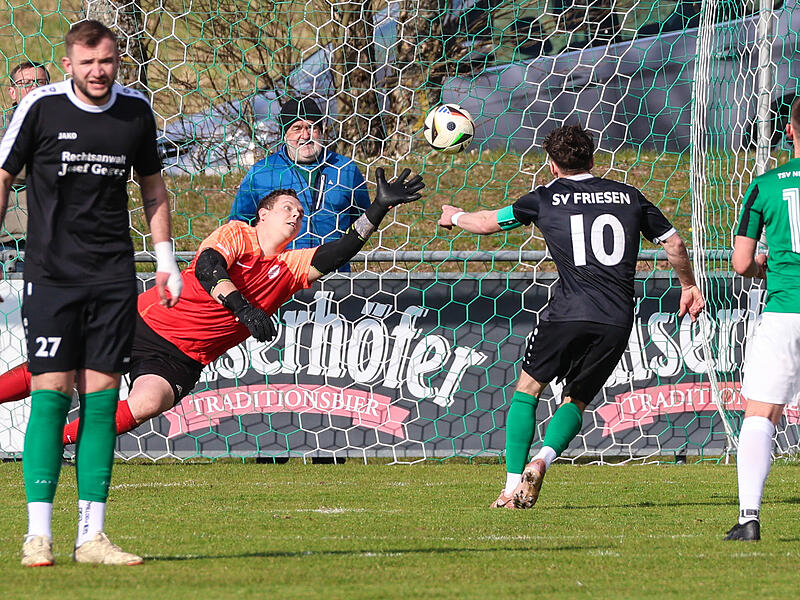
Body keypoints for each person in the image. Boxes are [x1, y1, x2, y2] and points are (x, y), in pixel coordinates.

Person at [0, 174, 423, 453]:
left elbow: (340, 250)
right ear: (263, 214)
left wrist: (378, 209)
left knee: (148, 402)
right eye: (287, 208)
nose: (295, 215)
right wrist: (243, 308)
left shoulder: (291, 267)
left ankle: (53, 445)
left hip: (182, 355)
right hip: (144, 320)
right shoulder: (238, 233)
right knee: (60, 371)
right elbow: (207, 269)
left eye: (300, 212)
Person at [437, 125, 705, 510]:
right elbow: (674, 242)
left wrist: (454, 215)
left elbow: (486, 223)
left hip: (567, 314)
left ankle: (511, 488)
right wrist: (688, 285)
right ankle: (542, 461)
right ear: (593, 158)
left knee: (527, 392)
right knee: (575, 400)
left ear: (551, 165)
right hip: (615, 319)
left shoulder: (545, 197)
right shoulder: (629, 196)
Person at [0, 21, 182, 567]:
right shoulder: (40, 108)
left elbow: (153, 188)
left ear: (116, 59)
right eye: (86, 62)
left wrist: (166, 260)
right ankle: (38, 535)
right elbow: (4, 177)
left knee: (101, 398)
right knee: (51, 392)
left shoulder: (135, 112)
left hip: (111, 275)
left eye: (106, 61)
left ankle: (92, 537)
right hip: (52, 274)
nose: (97, 72)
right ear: (71, 61)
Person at [724, 98, 800, 542]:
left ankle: (749, 517)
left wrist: (764, 269)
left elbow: (739, 262)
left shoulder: (765, 184)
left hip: (785, 311)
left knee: (761, 414)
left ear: (788, 131)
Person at [229, 96, 370, 270]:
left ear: (322, 131)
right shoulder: (262, 172)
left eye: (312, 128)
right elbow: (239, 225)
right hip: (279, 273)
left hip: (334, 272)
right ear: (284, 133)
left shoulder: (346, 169)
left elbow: (362, 219)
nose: (305, 135)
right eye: (297, 128)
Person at [0, 61, 50, 269]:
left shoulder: (65, 124)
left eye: (39, 82)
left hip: (58, 241)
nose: (33, 88)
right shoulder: (3, 129)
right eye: (25, 83)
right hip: (11, 245)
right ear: (12, 91)